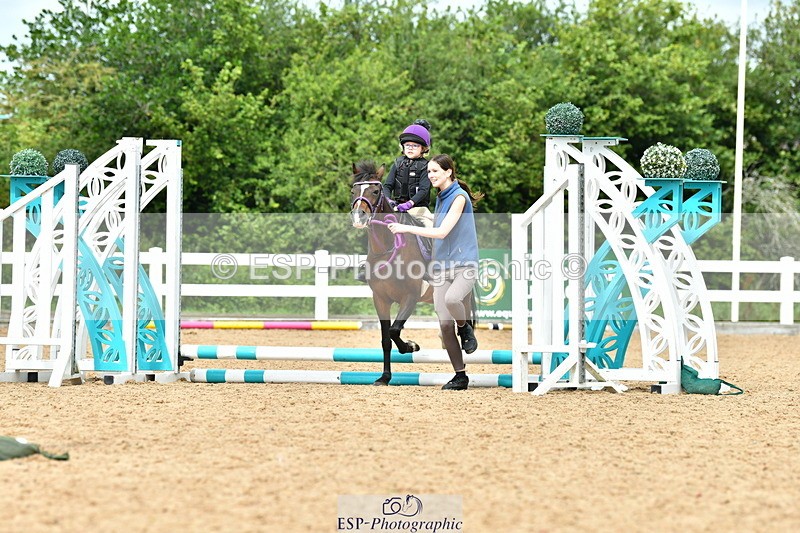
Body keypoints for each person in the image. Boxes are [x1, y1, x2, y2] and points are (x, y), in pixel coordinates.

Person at [388, 154, 483, 390]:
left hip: (464, 265)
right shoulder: (440, 197)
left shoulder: (459, 197)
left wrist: (405, 228)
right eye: (429, 172)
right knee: (443, 325)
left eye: (435, 172)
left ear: (448, 172)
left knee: (453, 299)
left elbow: (442, 232)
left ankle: (465, 327)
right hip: (442, 267)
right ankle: (460, 375)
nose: (430, 176)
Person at [382, 119, 434, 228]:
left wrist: (410, 203)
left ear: (423, 148)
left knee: (430, 226)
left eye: (415, 146)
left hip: (418, 209)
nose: (410, 148)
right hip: (397, 206)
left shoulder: (426, 166)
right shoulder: (397, 163)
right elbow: (387, 186)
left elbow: (424, 190)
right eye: (407, 145)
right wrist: (388, 200)